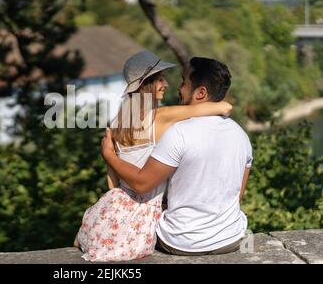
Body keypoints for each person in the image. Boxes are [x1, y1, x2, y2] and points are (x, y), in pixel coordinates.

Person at [75, 51, 233, 262]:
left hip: (114, 209)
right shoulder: (161, 117)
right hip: (145, 216)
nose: (166, 84)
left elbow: (112, 184)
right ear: (147, 84)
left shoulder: (116, 124)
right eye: (160, 79)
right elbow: (225, 107)